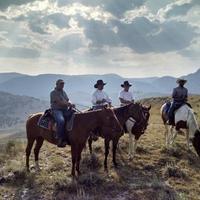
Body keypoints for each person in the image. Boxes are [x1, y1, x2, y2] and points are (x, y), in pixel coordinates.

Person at [50, 79, 75, 147]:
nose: (62, 85)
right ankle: (60, 139)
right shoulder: (53, 92)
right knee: (61, 121)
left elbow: (67, 99)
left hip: (65, 109)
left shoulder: (63, 92)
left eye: (63, 84)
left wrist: (70, 102)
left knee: (75, 116)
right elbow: (59, 102)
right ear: (57, 84)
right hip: (56, 110)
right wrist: (68, 104)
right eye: (61, 84)